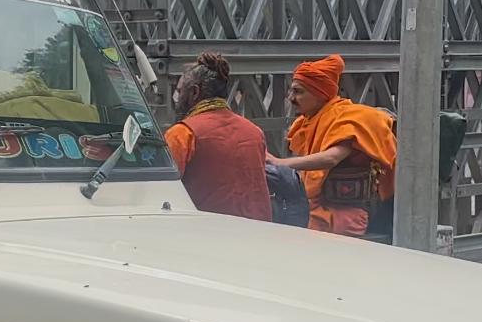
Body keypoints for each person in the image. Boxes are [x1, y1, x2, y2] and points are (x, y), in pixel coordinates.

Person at [271, 54, 399, 238]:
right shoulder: (309, 121)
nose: (291, 98)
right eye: (291, 91)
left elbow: (332, 157)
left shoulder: (349, 118)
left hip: (347, 217)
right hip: (316, 208)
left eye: (298, 92)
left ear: (320, 94)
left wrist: (279, 163)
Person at [161, 52, 271, 221]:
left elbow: (162, 191)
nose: (177, 99)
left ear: (194, 92)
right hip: (259, 232)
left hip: (207, 232)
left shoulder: (183, 133)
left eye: (180, 91)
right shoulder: (254, 132)